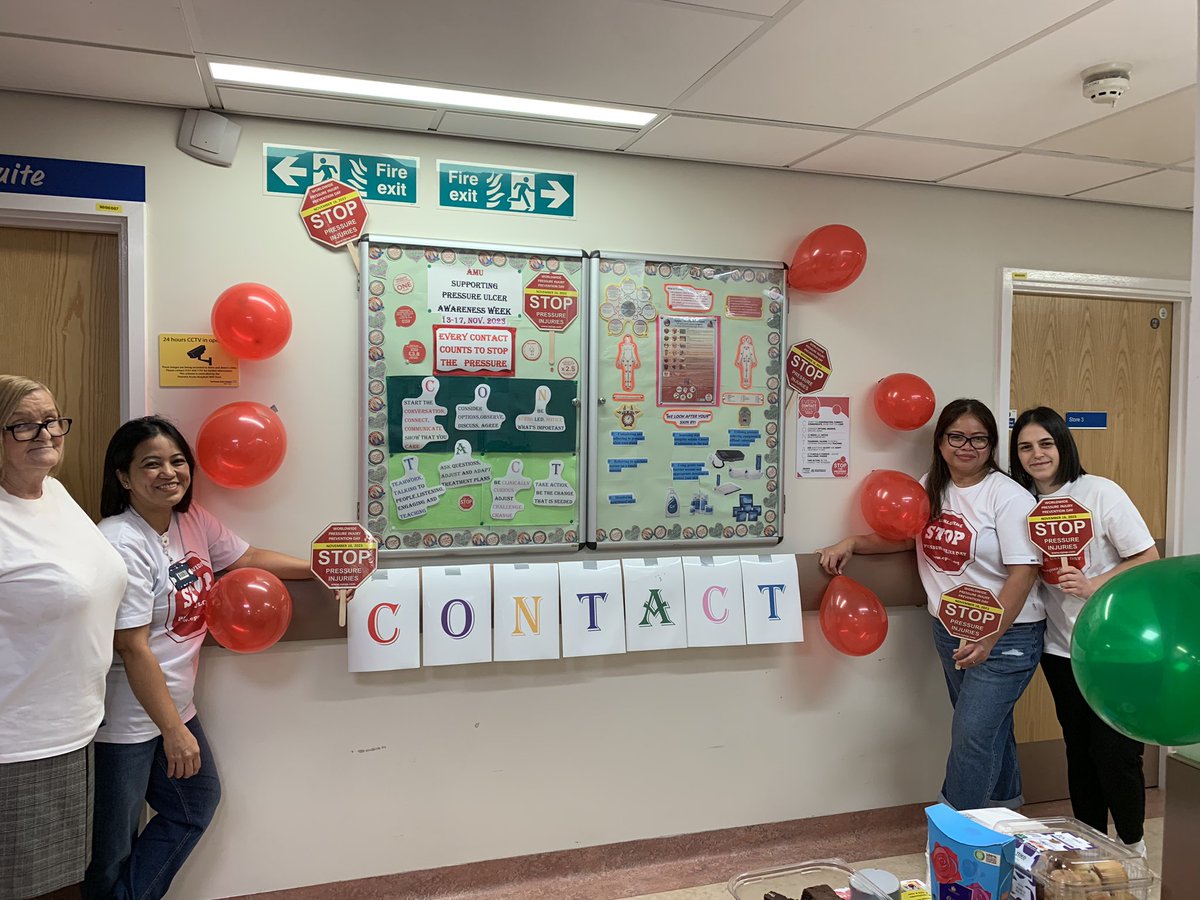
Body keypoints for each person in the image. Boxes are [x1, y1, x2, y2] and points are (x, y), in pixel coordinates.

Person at [83, 416, 323, 900]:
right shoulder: (119, 542)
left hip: (174, 704)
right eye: (151, 464)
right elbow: (131, 646)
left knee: (195, 802)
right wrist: (174, 732)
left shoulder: (191, 520)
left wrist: (322, 567)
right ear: (124, 476)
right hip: (127, 718)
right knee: (112, 846)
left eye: (177, 461)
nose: (169, 472)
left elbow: (247, 558)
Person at [818, 398, 1044, 811]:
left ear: (992, 445)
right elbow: (907, 535)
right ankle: (1008, 816)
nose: (967, 446)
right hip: (949, 629)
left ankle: (950, 837)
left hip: (1007, 636)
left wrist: (989, 636)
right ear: (940, 442)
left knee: (972, 735)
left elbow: (1023, 573)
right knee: (988, 731)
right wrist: (852, 542)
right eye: (956, 436)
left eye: (979, 438)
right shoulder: (930, 486)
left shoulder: (1008, 497)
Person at [0, 375, 127, 900]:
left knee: (68, 881)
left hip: (77, 726)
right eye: (24, 424)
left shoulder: (54, 492)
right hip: (19, 740)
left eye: (52, 420)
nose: (45, 433)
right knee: (37, 891)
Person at [1010, 406, 1157, 853]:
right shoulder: (1021, 502)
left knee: (1116, 754)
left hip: (1115, 648)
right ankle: (1089, 843)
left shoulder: (1099, 492)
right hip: (1061, 650)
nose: (1037, 454)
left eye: (1046, 444)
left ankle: (1133, 845)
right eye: (1025, 447)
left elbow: (1146, 559)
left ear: (1063, 445)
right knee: (1079, 751)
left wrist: (1094, 585)